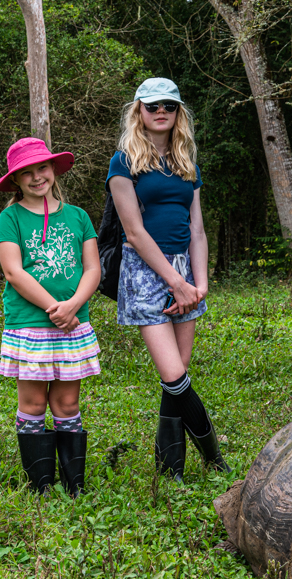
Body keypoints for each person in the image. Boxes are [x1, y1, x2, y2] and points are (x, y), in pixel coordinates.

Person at [106, 77, 229, 482]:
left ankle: (170, 468)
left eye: (169, 106)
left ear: (178, 113)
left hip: (186, 274)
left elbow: (198, 230)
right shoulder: (124, 161)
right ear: (139, 110)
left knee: (177, 372)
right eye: (153, 105)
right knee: (175, 376)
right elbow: (134, 231)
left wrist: (200, 284)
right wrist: (175, 282)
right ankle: (214, 458)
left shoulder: (186, 164)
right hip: (145, 272)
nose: (161, 112)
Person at [0, 137, 101, 497]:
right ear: (15, 179)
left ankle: (74, 486)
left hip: (73, 324)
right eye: (27, 173)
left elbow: (92, 269)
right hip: (30, 325)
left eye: (42, 168)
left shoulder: (78, 217)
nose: (37, 177)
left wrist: (73, 305)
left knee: (67, 404)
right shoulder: (10, 218)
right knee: (34, 404)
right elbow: (14, 272)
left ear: (54, 169)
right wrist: (55, 308)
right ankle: (41, 485)